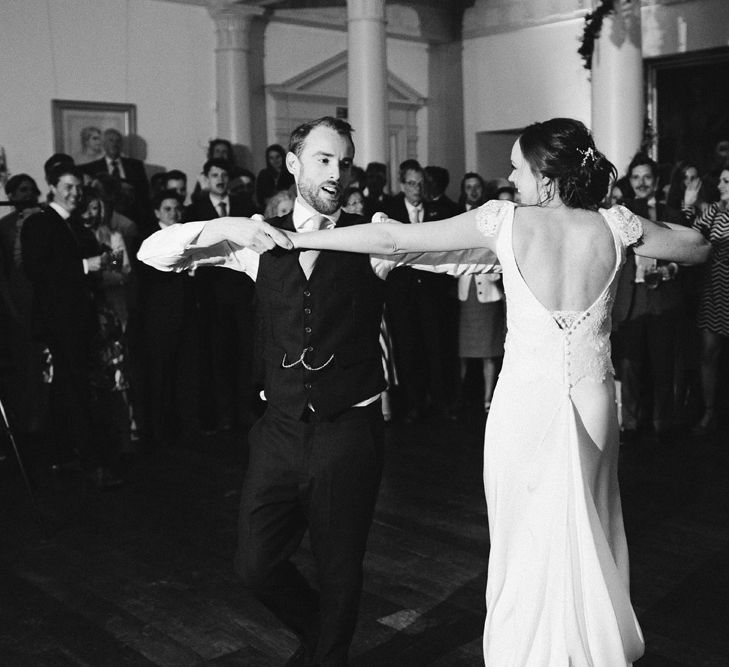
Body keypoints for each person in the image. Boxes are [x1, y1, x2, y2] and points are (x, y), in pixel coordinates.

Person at [280, 118, 710, 665]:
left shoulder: (504, 220)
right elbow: (696, 247)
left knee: (522, 531)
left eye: (516, 167)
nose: (508, 177)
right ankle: (591, 646)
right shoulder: (615, 224)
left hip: (525, 402)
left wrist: (298, 236)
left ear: (546, 178)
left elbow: (390, 239)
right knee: (591, 522)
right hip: (595, 397)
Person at [138, 116, 497, 666]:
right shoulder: (257, 240)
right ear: (293, 162)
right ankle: (322, 638)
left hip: (348, 432)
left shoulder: (373, 238)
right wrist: (228, 228)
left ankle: (326, 653)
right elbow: (153, 253)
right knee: (254, 564)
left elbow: (463, 257)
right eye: (325, 160)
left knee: (339, 569)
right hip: (278, 430)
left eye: (345, 162)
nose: (336, 173)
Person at [21, 165, 123, 489]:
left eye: (79, 188)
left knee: (70, 389)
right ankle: (86, 461)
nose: (75, 193)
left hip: (79, 321)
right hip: (59, 323)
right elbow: (37, 270)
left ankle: (64, 456)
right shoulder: (39, 222)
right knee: (74, 389)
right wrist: (85, 265)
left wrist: (102, 261)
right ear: (51, 187)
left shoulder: (73, 224)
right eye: (68, 187)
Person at [185, 158, 258, 433]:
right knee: (219, 355)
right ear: (206, 178)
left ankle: (245, 408)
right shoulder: (195, 211)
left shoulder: (244, 208)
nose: (220, 179)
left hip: (241, 292)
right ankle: (224, 412)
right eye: (214, 174)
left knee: (245, 353)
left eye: (224, 174)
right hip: (211, 295)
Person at [689, 167, 729, 435]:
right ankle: (709, 414)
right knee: (708, 354)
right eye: (722, 179)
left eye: (727, 181)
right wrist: (688, 206)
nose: (721, 185)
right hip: (715, 289)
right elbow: (689, 237)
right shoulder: (713, 210)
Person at [256, 143, 295, 208]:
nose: (275, 160)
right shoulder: (264, 174)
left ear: (283, 157)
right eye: (271, 158)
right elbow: (260, 197)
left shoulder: (290, 173)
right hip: (267, 209)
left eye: (277, 157)